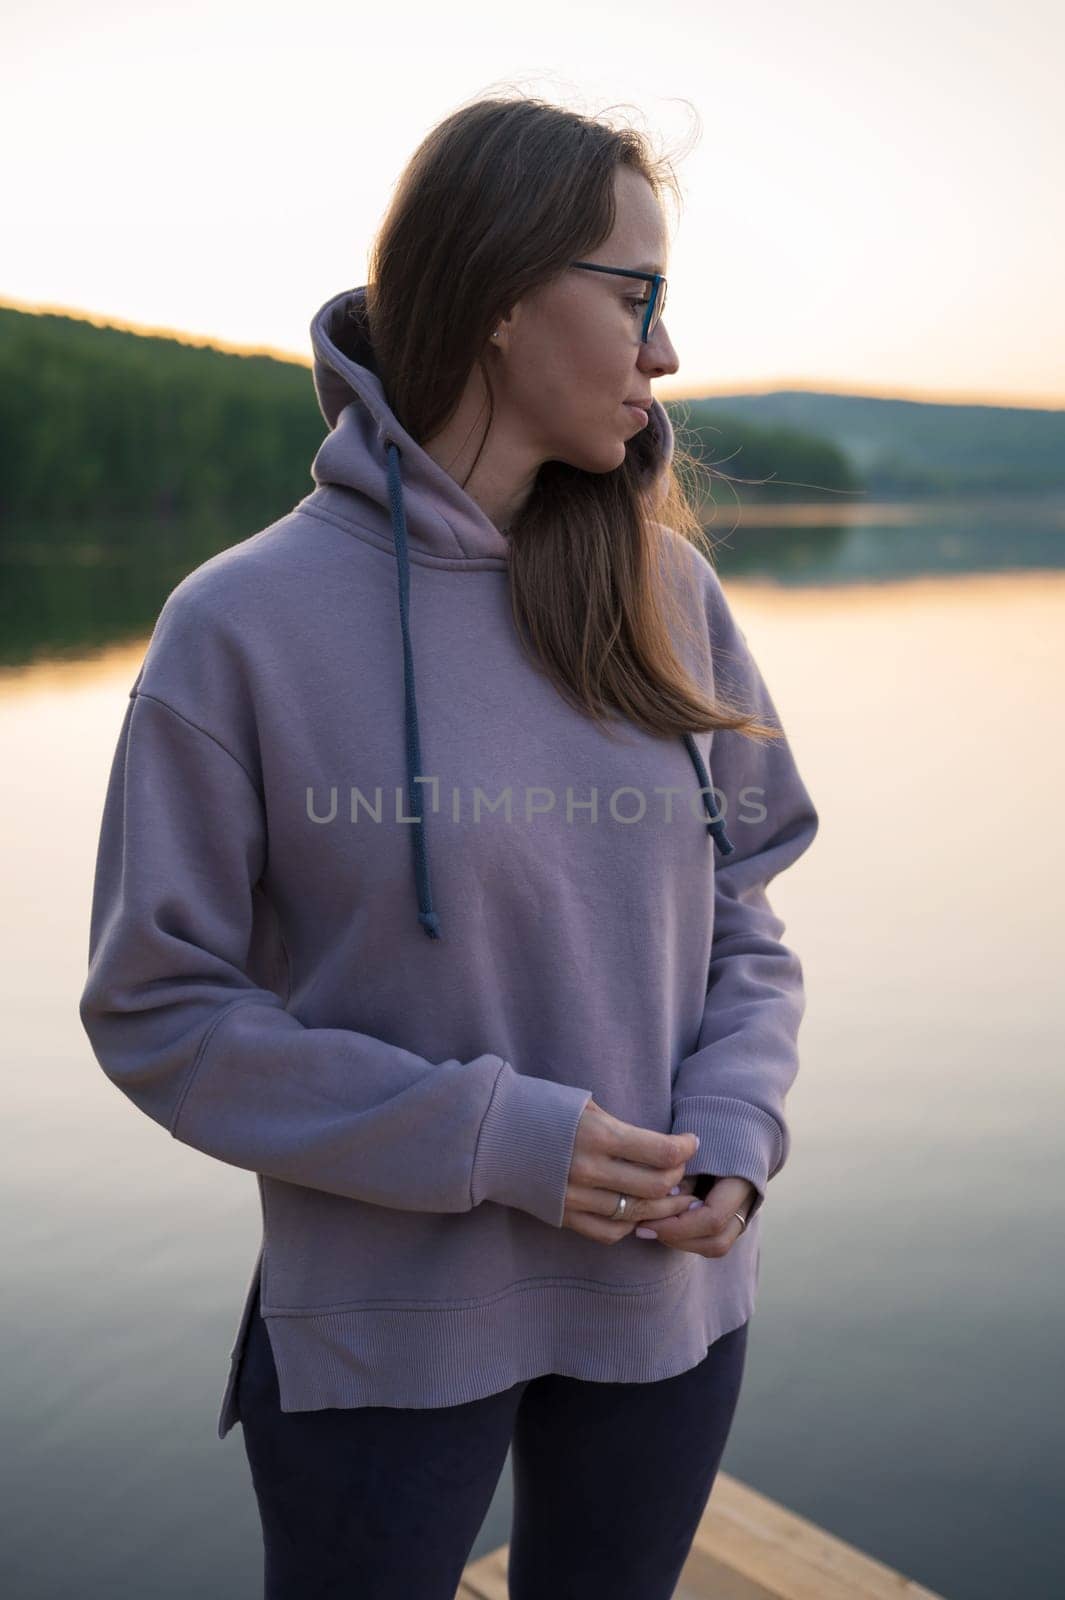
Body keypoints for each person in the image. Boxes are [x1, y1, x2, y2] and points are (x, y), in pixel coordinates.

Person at [79, 93, 819, 1600]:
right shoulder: (242, 628)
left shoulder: (667, 599)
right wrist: (497, 1142)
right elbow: (157, 1009)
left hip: (665, 1307)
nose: (665, 354)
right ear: (498, 299)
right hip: (386, 1333)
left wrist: (736, 1139)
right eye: (638, 297)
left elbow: (743, 914)